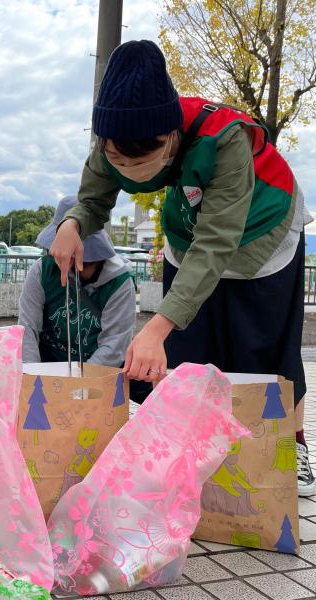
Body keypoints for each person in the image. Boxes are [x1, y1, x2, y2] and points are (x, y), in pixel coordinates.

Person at [49, 40, 314, 495]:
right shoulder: (111, 137)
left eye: (143, 158)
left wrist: (154, 327)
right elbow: (93, 199)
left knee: (264, 351)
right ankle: (192, 452)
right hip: (189, 231)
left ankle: (292, 445)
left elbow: (217, 242)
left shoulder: (224, 137)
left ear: (171, 136)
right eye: (117, 159)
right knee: (189, 356)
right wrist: (73, 223)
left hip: (261, 228)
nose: (130, 170)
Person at [19, 196, 136, 367]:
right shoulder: (42, 271)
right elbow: (27, 329)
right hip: (46, 370)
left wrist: (79, 386)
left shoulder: (119, 283)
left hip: (96, 376)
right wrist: (32, 376)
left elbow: (114, 347)